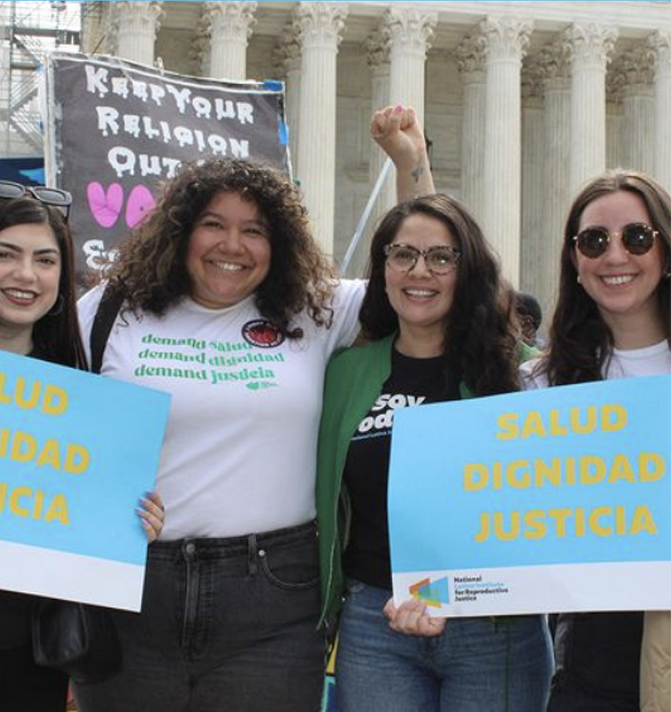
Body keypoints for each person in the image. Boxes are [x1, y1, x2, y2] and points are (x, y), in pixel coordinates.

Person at [73, 105, 435, 712]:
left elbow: (426, 274)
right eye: (214, 224)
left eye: (256, 230)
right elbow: (49, 424)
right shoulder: (110, 309)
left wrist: (411, 161)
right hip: (132, 589)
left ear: (281, 242)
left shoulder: (313, 310)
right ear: (180, 230)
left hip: (273, 598)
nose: (232, 246)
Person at [316, 194, 553, 712]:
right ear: (382, 268)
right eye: (403, 255)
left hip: (494, 628)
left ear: (466, 272)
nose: (419, 271)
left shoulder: (520, 374)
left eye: (441, 257)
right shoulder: (344, 374)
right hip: (375, 623)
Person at [0, 181, 165, 712]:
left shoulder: (82, 392)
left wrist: (133, 517)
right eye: (4, 254)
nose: (26, 275)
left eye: (45, 260)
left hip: (32, 655)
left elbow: (86, 516)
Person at [519, 169, 671, 712]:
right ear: (575, 262)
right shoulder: (539, 385)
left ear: (665, 252)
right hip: (589, 655)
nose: (615, 256)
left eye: (636, 238)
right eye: (593, 241)